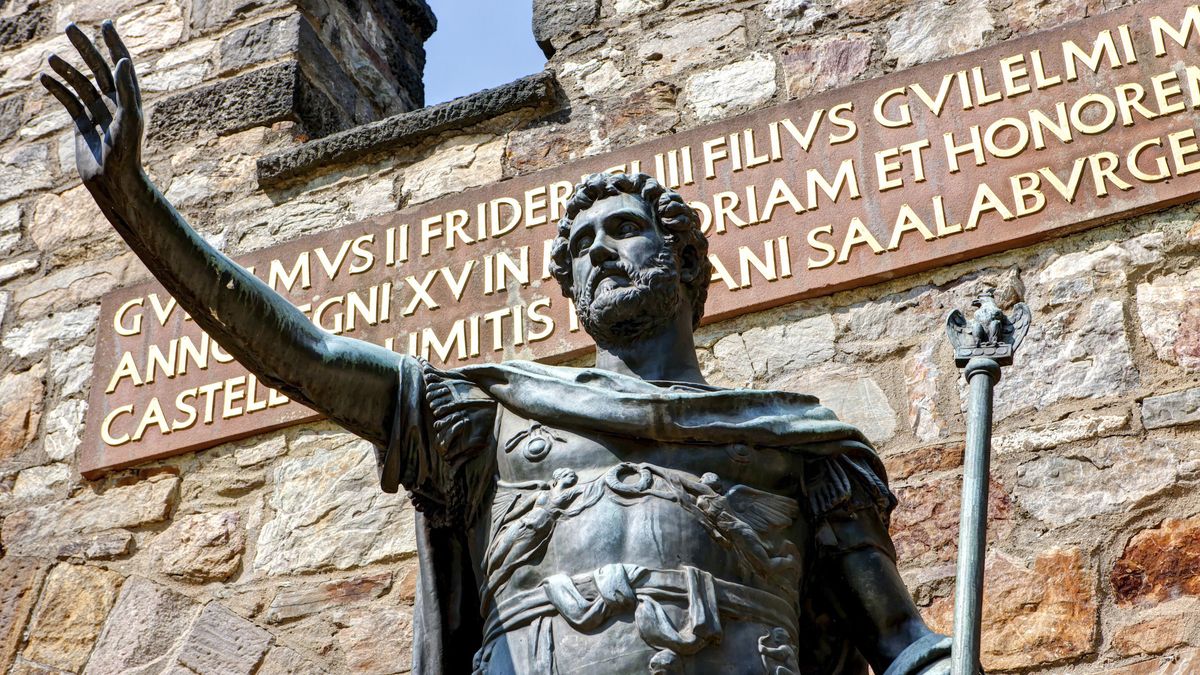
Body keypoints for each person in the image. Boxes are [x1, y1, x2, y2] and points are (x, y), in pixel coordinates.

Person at [42, 22, 956, 674]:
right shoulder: (488, 417)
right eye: (582, 245)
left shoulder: (791, 444)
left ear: (682, 259)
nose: (600, 249)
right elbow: (303, 353)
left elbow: (901, 643)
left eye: (625, 231)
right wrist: (130, 198)